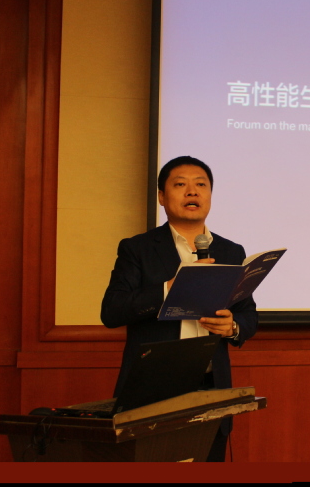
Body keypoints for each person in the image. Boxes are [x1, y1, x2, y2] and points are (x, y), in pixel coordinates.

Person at [101, 156, 258, 462]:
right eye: (180, 184)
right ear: (162, 196)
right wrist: (167, 289)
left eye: (201, 184)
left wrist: (233, 327)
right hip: (152, 391)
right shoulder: (138, 249)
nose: (192, 191)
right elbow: (112, 311)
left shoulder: (231, 251)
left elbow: (248, 315)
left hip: (211, 389)